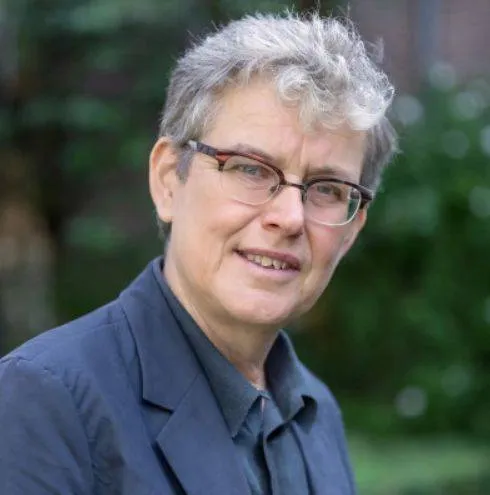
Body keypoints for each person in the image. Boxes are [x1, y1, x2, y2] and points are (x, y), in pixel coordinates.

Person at [0, 11, 397, 495]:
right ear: (169, 179)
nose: (291, 217)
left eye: (327, 189)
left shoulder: (317, 413)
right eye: (251, 169)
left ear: (351, 230)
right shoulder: (45, 401)